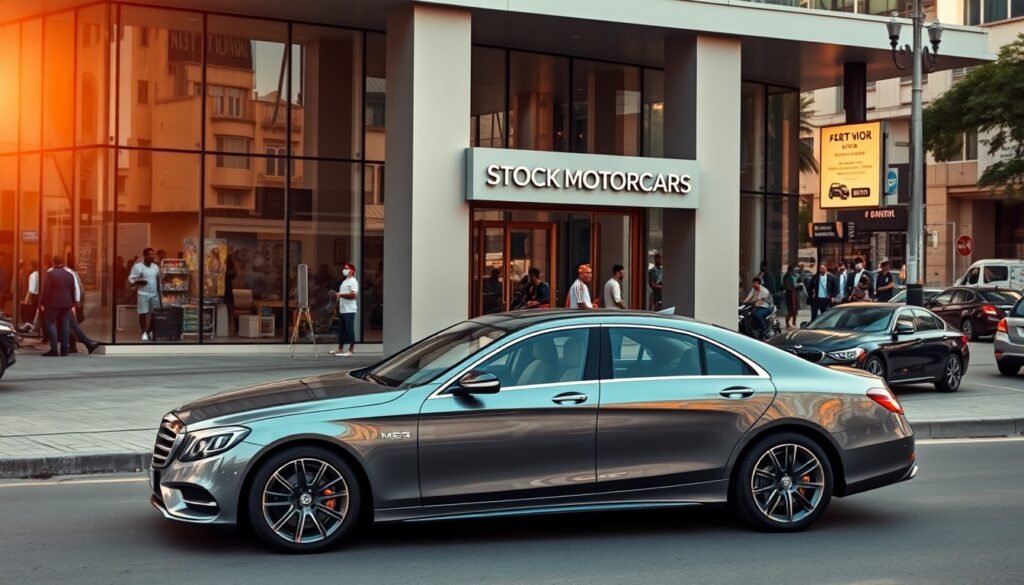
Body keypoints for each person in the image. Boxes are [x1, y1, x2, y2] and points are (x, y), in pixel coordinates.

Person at [38, 256, 77, 356]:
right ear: (62, 262)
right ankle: (64, 349)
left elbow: (46, 290)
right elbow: (73, 290)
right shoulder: (69, 274)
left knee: (51, 324)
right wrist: (73, 302)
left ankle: (54, 349)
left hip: (52, 303)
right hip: (67, 303)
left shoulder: (50, 274)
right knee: (65, 324)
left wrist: (42, 302)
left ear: (53, 262)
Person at [62, 256, 100, 354]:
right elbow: (80, 288)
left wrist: (76, 303)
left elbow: (77, 288)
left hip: (66, 304)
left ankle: (83, 344)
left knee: (70, 325)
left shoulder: (68, 273)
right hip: (69, 303)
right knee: (72, 325)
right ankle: (84, 344)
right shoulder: (72, 273)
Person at [129, 247, 162, 341]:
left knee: (154, 313)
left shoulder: (156, 267)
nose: (152, 256)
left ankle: (150, 330)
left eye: (153, 254)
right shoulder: (138, 267)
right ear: (145, 256)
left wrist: (160, 293)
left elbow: (158, 280)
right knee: (143, 313)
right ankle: (143, 332)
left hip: (154, 293)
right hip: (143, 293)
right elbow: (131, 279)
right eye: (150, 254)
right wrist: (139, 282)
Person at [332, 263, 359, 357]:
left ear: (352, 271)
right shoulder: (345, 281)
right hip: (343, 309)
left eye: (347, 268)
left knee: (349, 330)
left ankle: (351, 350)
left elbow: (353, 295)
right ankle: (340, 348)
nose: (344, 270)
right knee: (341, 330)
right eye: (344, 268)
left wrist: (341, 295)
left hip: (349, 310)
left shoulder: (353, 281)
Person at [783, 264, 801, 328]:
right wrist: (794, 287)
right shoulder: (787, 276)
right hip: (790, 294)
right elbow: (787, 285)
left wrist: (799, 285)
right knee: (791, 310)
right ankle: (787, 322)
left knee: (795, 309)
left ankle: (794, 322)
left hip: (795, 294)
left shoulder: (794, 275)